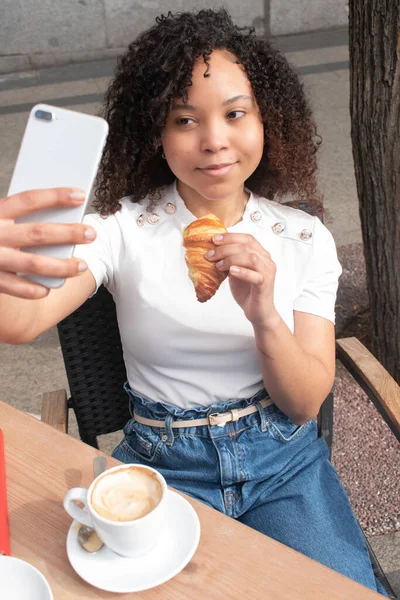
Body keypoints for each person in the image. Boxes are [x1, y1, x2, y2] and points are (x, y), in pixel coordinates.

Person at [0, 8, 388, 595]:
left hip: (281, 465)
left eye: (235, 114)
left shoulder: (304, 239)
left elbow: (306, 401)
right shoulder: (123, 228)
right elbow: (21, 322)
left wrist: (264, 315)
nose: (214, 140)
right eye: (185, 119)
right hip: (163, 466)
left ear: (266, 119)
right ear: (156, 132)